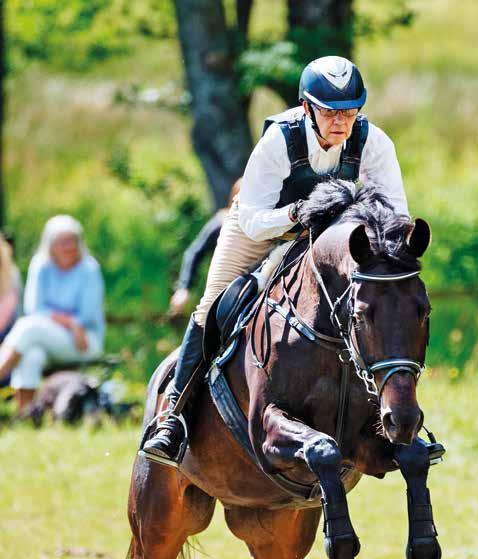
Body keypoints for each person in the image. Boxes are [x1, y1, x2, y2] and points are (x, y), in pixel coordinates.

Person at [142, 55, 409, 466]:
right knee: (213, 304)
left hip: (325, 236)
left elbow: (396, 215)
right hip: (262, 227)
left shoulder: (374, 142)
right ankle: (174, 417)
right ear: (307, 108)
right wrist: (295, 214)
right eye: (330, 113)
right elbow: (250, 217)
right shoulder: (279, 141)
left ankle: (381, 412)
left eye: (350, 112)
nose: (341, 122)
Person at [0, 215, 104, 414]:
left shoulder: (89, 268)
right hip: (48, 336)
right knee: (31, 354)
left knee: (28, 327)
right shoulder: (41, 265)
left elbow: (88, 315)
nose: (69, 246)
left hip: (84, 341)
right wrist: (71, 322)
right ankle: (26, 415)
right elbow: (35, 308)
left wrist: (73, 324)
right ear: (51, 245)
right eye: (63, 242)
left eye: (73, 241)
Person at [169, 179, 242, 316]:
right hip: (223, 288)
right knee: (203, 319)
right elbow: (195, 252)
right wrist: (184, 288)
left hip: (255, 284)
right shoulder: (222, 221)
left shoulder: (263, 223)